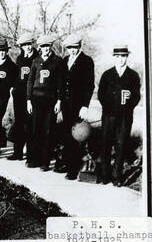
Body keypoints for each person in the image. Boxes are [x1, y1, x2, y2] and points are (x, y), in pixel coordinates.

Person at [97, 44, 140, 186]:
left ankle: (117, 177)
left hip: (125, 117)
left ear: (127, 57)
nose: (121, 59)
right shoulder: (107, 74)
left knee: (121, 145)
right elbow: (101, 94)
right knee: (105, 144)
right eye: (118, 56)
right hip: (108, 115)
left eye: (124, 56)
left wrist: (126, 109)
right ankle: (105, 175)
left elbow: (136, 97)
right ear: (114, 57)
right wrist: (109, 108)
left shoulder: (133, 75)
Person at [58, 34, 95, 180]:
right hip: (66, 104)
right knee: (67, 134)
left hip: (78, 104)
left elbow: (89, 85)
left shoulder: (86, 61)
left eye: (74, 47)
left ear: (79, 46)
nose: (72, 50)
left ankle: (73, 170)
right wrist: (60, 101)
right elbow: (61, 83)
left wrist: (85, 105)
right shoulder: (65, 60)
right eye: (69, 48)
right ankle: (67, 163)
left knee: (76, 135)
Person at [27, 35, 63, 170]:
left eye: (47, 46)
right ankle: (34, 159)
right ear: (40, 48)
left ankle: (45, 161)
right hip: (36, 99)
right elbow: (30, 81)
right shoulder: (36, 60)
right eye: (43, 46)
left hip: (50, 100)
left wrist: (59, 101)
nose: (45, 49)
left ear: (51, 46)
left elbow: (60, 82)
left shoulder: (57, 61)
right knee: (36, 130)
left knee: (48, 131)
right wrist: (28, 100)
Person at [9, 33, 38, 161]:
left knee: (30, 123)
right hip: (19, 94)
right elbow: (16, 75)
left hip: (31, 95)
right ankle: (18, 152)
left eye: (28, 44)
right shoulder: (20, 58)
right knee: (19, 122)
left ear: (32, 44)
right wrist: (14, 88)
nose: (27, 47)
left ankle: (31, 154)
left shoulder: (37, 58)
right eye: (24, 45)